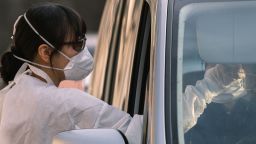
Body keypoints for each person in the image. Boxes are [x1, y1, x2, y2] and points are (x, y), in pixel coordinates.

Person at [0, 3, 142, 144]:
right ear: (45, 52)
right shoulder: (62, 102)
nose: (83, 52)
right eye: (77, 45)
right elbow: (137, 132)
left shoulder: (7, 96)